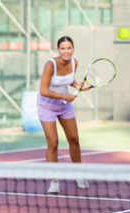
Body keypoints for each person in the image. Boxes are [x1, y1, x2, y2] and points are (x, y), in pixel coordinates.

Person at [38, 36, 90, 193]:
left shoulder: (74, 62)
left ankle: (79, 174)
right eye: (63, 48)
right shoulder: (50, 64)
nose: (66, 51)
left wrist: (77, 85)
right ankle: (54, 181)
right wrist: (65, 96)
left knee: (74, 139)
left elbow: (68, 80)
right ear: (57, 49)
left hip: (64, 106)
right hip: (47, 106)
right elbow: (44, 90)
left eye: (69, 48)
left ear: (73, 48)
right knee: (53, 143)